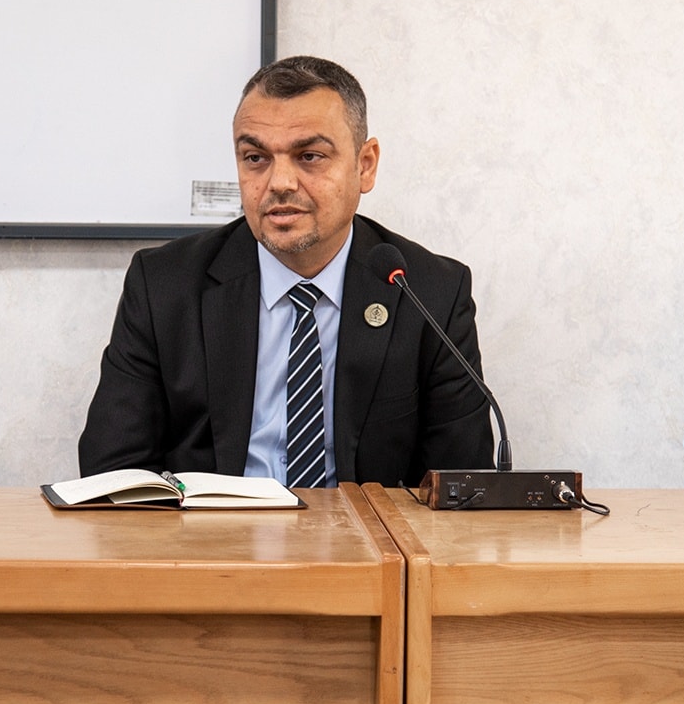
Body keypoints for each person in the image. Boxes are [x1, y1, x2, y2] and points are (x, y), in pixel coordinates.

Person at [78, 55, 492, 487]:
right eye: (255, 157)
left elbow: (461, 487)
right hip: (212, 529)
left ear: (365, 165)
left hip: (366, 530)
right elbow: (113, 473)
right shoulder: (164, 285)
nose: (279, 183)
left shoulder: (430, 293)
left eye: (309, 156)